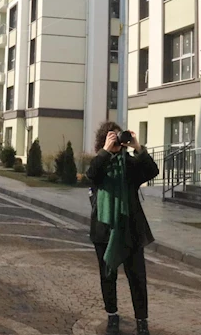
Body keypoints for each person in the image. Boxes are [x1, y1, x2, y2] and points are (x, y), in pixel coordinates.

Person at [87, 122, 158, 335]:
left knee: (137, 277)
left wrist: (138, 147)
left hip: (131, 229)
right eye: (111, 138)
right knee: (107, 275)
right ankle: (112, 315)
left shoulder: (130, 164)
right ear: (103, 142)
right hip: (104, 229)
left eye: (118, 138)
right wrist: (106, 151)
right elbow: (92, 175)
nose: (117, 142)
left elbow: (152, 170)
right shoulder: (100, 163)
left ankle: (142, 322)